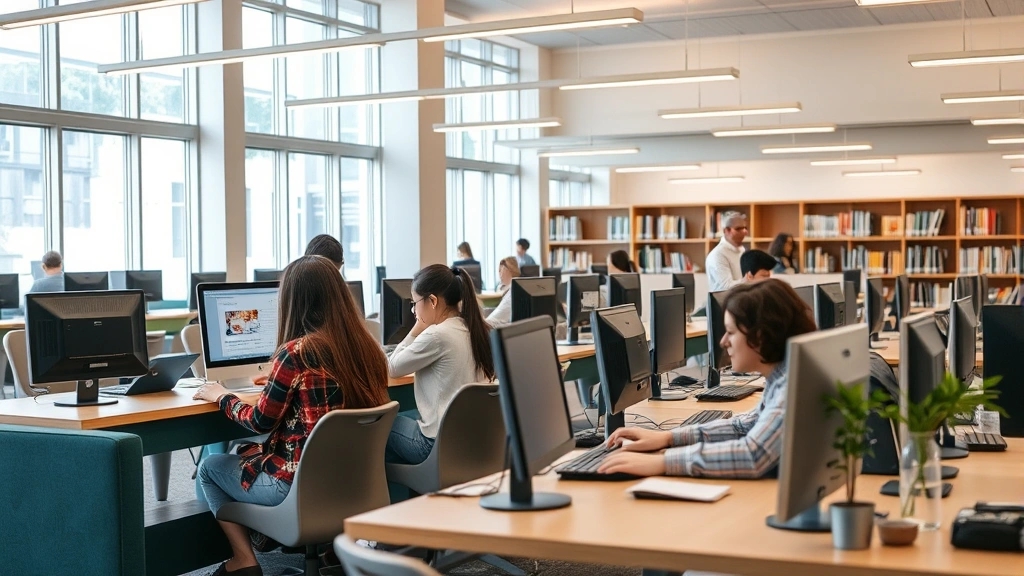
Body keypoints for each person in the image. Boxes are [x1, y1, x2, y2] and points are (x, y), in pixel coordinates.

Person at [193, 256, 389, 576]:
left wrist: (221, 395)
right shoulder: (365, 348)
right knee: (247, 453)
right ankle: (327, 548)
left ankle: (244, 559)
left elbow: (259, 421)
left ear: (292, 301)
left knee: (211, 466)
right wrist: (276, 380)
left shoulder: (296, 352)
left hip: (299, 488)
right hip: (356, 483)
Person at [597, 279, 816, 479]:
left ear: (760, 337)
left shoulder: (791, 386)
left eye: (730, 332)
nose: (723, 342)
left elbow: (753, 454)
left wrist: (662, 462)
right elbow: (744, 426)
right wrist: (667, 438)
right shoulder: (783, 375)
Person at [385, 264, 495, 464]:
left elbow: (393, 368)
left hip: (433, 446)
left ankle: (405, 490)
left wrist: (417, 328)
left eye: (415, 302)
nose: (413, 309)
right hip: (473, 442)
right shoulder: (473, 327)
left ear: (433, 301)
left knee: (381, 423)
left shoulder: (436, 335)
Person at [705, 211, 749, 293]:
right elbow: (724, 287)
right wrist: (748, 281)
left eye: (745, 228)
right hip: (724, 304)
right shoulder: (718, 255)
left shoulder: (742, 251)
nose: (744, 232)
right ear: (726, 230)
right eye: (738, 229)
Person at [487, 257, 520, 326]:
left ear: (508, 270)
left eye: (501, 270)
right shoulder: (500, 286)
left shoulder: (513, 290)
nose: (499, 273)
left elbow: (497, 316)